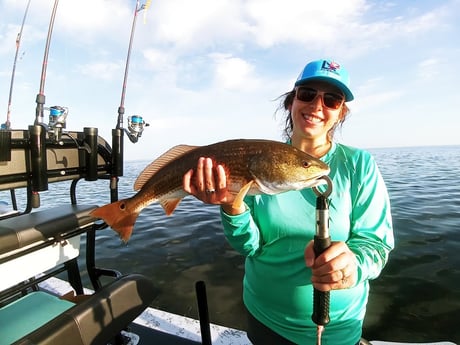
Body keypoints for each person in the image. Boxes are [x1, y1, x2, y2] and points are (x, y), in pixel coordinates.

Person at [183, 59, 394, 345]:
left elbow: (376, 245)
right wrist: (232, 206)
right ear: (291, 102)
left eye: (332, 100)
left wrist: (351, 265)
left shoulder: (359, 165)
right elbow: (249, 246)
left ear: (340, 113)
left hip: (336, 329)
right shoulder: (260, 160)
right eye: (307, 94)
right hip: (264, 318)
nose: (318, 106)